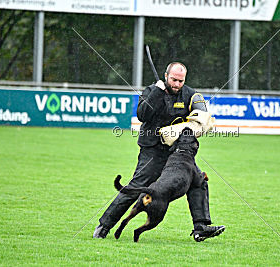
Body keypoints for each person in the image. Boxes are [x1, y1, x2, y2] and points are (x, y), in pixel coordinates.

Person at [93, 62, 225, 241]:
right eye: (173, 80)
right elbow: (142, 115)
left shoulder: (191, 95)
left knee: (198, 180)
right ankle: (104, 226)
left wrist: (198, 118)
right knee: (136, 186)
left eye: (181, 81)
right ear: (165, 76)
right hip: (153, 150)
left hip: (178, 152)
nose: (177, 84)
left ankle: (200, 227)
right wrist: (157, 92)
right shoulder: (151, 91)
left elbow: (202, 114)